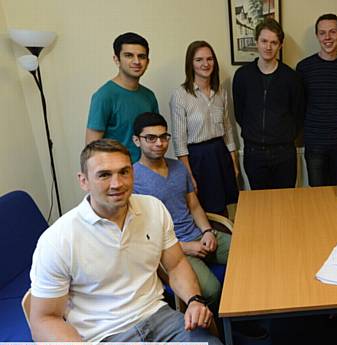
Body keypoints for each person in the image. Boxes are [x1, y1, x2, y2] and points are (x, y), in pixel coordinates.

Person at [28, 139, 231, 345]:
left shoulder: (153, 208)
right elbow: (44, 318)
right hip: (105, 339)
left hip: (162, 319)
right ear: (83, 181)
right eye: (104, 175)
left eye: (124, 172)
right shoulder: (58, 239)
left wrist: (194, 300)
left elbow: (177, 264)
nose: (117, 183)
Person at [132, 112, 230, 307]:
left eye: (163, 137)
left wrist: (207, 231)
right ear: (137, 141)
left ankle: (248, 310)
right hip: (172, 248)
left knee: (250, 253)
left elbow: (193, 205)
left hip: (198, 236)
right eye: (150, 138)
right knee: (211, 291)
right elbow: (139, 234)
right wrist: (184, 247)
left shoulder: (178, 167)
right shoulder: (132, 178)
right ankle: (223, 330)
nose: (159, 143)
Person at [233, 18, 304, 190]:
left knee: (286, 203)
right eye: (264, 41)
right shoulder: (242, 76)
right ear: (256, 42)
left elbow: (299, 113)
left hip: (284, 153)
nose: (268, 47)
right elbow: (239, 112)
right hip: (254, 152)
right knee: (260, 205)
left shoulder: (291, 77)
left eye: (274, 42)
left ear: (280, 45)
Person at [170, 40, 239, 214]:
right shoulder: (180, 96)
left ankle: (227, 239)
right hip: (197, 159)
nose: (205, 64)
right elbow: (180, 142)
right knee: (205, 207)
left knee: (226, 206)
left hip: (220, 153)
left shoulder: (220, 91)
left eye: (209, 59)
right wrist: (188, 175)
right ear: (190, 64)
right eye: (199, 60)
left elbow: (228, 128)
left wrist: (234, 162)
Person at [297, 13, 337, 186]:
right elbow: (300, 104)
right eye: (322, 32)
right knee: (316, 190)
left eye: (332, 32)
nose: (327, 37)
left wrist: (336, 117)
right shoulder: (304, 67)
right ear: (317, 35)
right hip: (314, 139)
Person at [86, 32, 159, 163]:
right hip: (119, 174)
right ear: (116, 59)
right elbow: (92, 148)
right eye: (129, 55)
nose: (136, 61)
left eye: (141, 56)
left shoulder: (149, 96)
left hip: (147, 172)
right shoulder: (104, 96)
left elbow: (155, 137)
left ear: (147, 62)